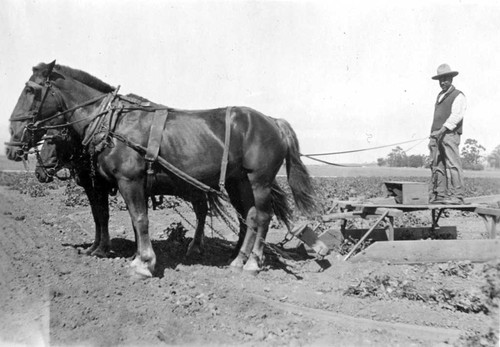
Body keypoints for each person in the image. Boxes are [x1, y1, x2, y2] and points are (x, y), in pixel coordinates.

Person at [428, 63, 466, 205]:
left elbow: (456, 116)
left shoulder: (458, 95)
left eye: (445, 79)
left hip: (449, 135)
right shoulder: (440, 95)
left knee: (453, 164)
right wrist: (433, 134)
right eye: (440, 80)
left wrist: (442, 130)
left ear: (451, 79)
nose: (442, 82)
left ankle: (458, 196)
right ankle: (440, 194)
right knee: (437, 165)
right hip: (436, 135)